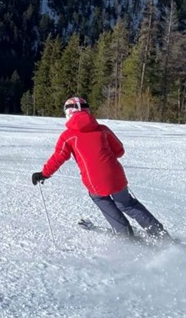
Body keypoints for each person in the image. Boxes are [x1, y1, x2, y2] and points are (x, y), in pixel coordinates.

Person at [32, 96, 167, 239]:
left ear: (68, 113)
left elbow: (58, 157)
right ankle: (160, 234)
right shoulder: (103, 130)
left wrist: (44, 174)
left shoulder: (68, 136)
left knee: (100, 199)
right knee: (127, 204)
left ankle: (125, 235)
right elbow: (119, 151)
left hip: (94, 181)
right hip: (116, 176)